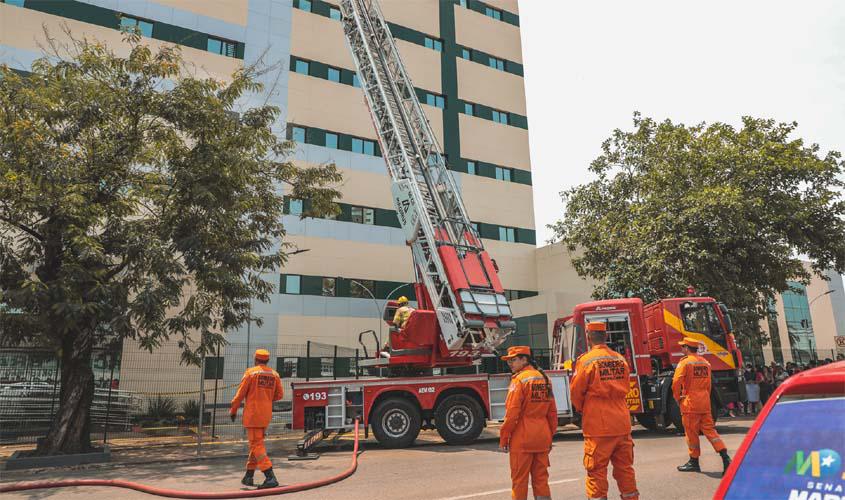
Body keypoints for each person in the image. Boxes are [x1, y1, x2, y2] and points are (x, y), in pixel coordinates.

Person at [570, 322, 639, 500]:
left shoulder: (586, 360)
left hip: (598, 425)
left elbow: (576, 392)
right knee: (625, 469)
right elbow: (626, 385)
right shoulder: (620, 359)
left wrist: (581, 409)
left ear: (588, 337)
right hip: (622, 422)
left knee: (596, 471)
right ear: (606, 336)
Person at [499, 346, 557, 500]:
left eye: (513, 360)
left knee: (520, 481)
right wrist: (549, 436)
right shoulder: (544, 379)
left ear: (524, 359)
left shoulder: (519, 380)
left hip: (522, 439)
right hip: (542, 437)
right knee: (541, 480)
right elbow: (552, 413)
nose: (510, 363)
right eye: (509, 360)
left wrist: (504, 437)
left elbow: (512, 414)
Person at [673, 338, 732, 476]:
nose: (682, 349)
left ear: (687, 348)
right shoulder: (706, 363)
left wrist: (677, 398)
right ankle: (725, 458)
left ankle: (694, 462)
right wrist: (705, 398)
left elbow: (676, 381)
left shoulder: (685, 362)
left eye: (683, 347)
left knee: (691, 433)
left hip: (691, 404)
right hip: (705, 403)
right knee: (711, 432)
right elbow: (709, 385)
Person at [230, 348, 284, 489]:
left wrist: (233, 410)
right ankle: (249, 476)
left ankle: (270, 477)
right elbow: (279, 395)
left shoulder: (251, 373)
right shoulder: (274, 375)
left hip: (253, 415)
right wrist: (265, 397)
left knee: (256, 445)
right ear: (267, 360)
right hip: (265, 415)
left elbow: (240, 395)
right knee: (256, 444)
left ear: (255, 359)